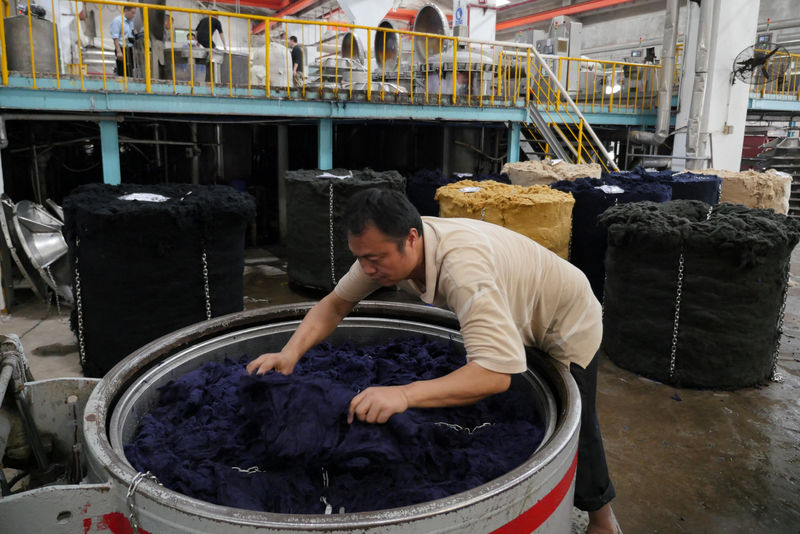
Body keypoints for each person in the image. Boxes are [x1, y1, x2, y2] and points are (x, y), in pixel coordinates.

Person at [247, 189, 619, 533]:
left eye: (375, 259)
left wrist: (404, 395)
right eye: (360, 257)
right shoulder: (385, 251)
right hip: (517, 306)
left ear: (411, 237)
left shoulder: (464, 271)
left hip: (565, 320)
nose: (367, 269)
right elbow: (335, 305)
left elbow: (495, 377)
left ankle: (604, 520)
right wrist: (289, 353)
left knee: (579, 426)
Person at [110, 5, 136, 76]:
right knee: (123, 71)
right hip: (122, 48)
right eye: (132, 13)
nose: (133, 15)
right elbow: (115, 37)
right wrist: (119, 51)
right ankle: (123, 86)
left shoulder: (131, 22)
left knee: (130, 70)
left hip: (129, 49)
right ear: (126, 11)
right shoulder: (117, 21)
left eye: (134, 13)